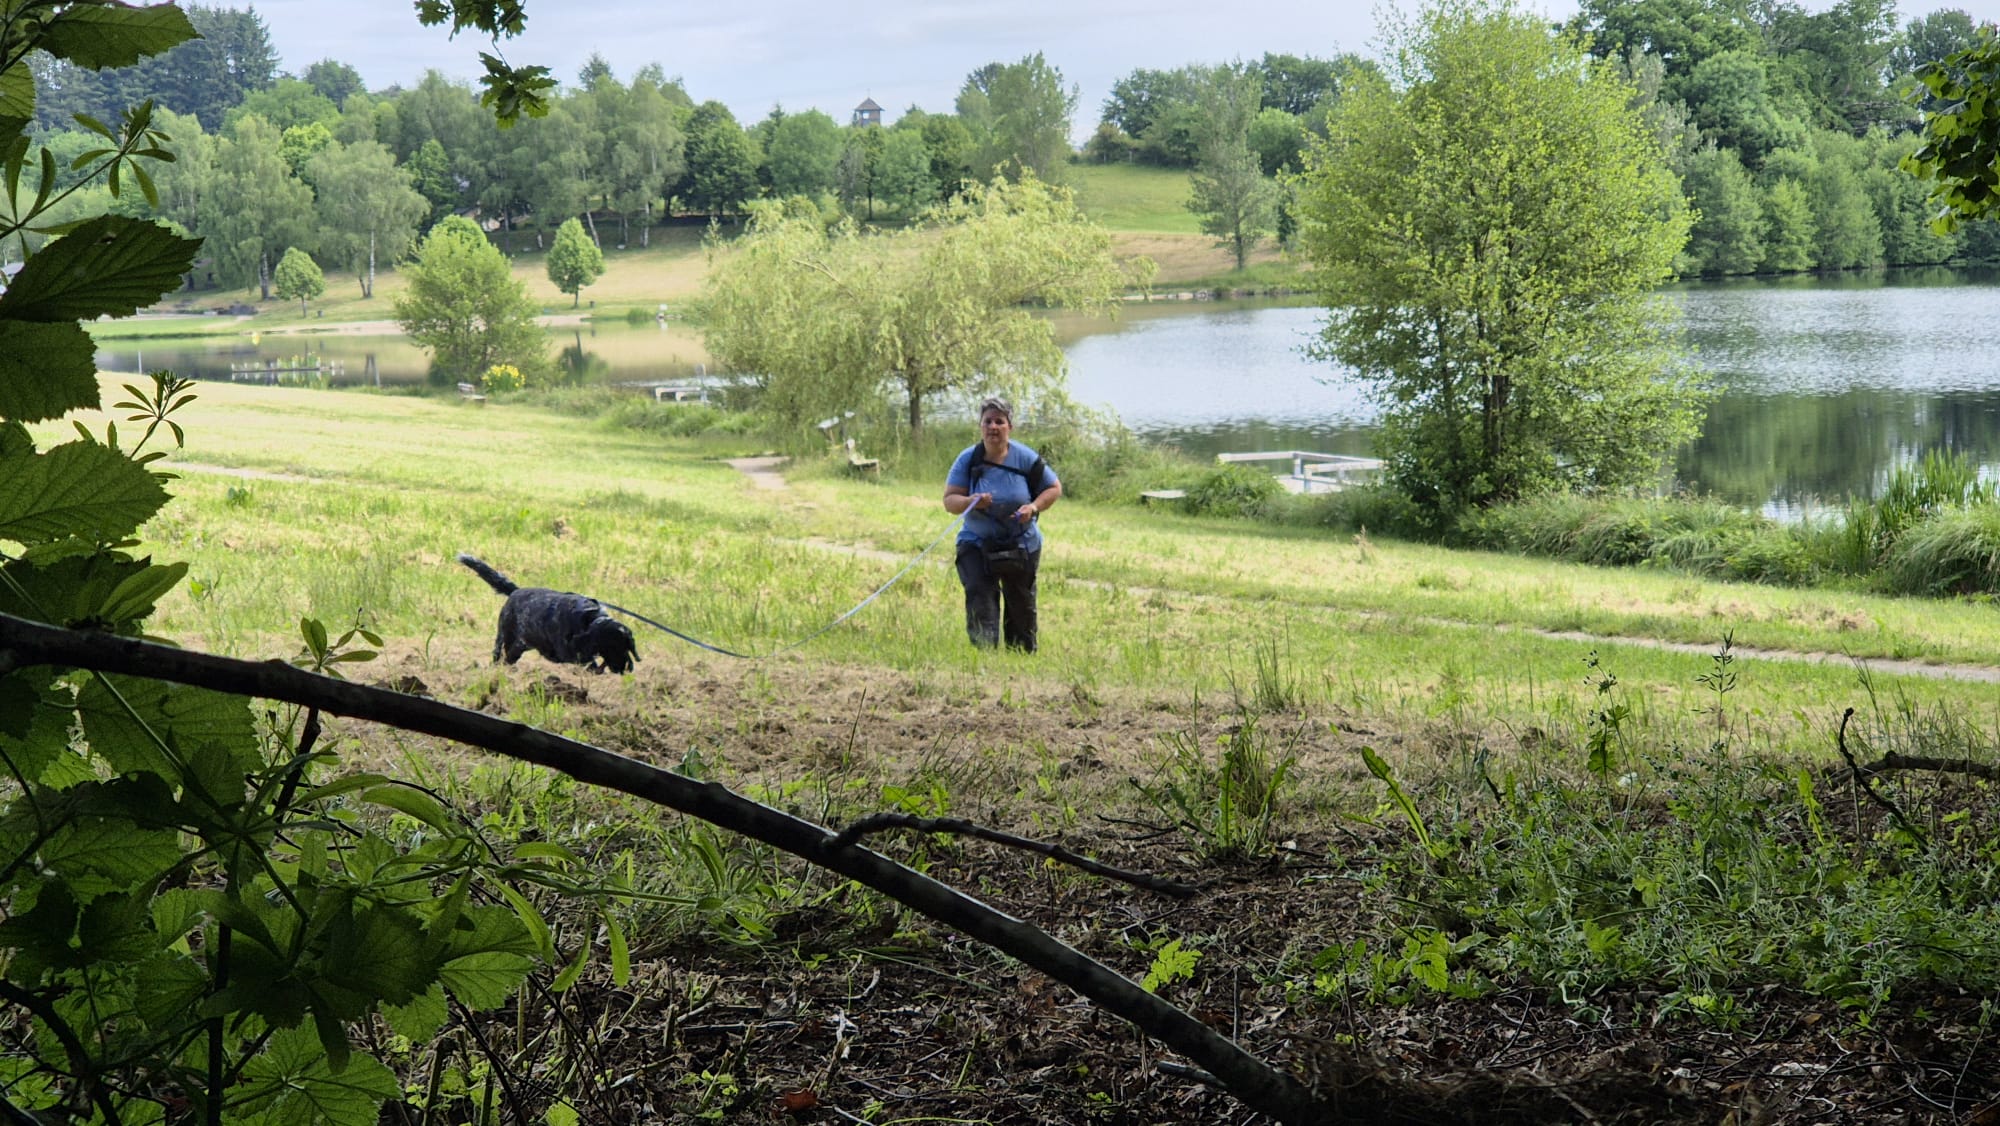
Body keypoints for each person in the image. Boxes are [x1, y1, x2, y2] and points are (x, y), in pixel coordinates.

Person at [942, 396, 1062, 652]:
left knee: (1021, 604)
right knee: (980, 594)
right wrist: (971, 501)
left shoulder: (1026, 458)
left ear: (1010, 426)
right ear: (980, 426)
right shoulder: (968, 459)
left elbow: (1054, 488)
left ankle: (1020, 654)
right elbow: (949, 501)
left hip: (1021, 543)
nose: (993, 427)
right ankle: (984, 653)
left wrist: (1033, 507)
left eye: (999, 421)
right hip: (976, 541)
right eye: (988, 421)